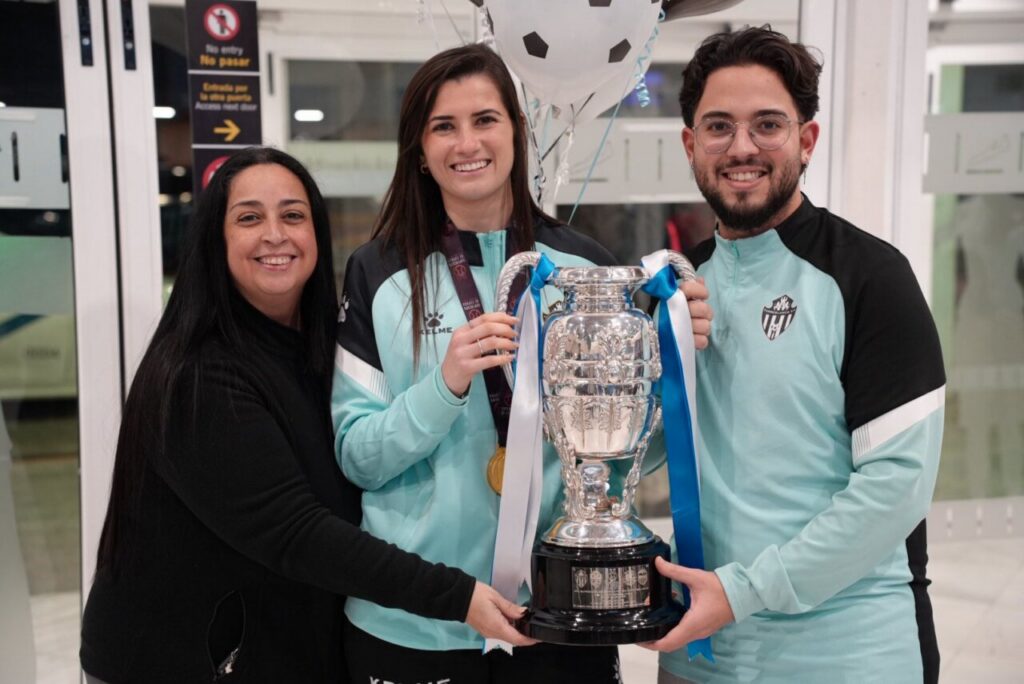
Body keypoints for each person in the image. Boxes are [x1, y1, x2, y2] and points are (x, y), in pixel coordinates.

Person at [79, 147, 531, 684]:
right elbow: (297, 533)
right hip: (178, 663)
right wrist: (458, 595)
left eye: (293, 215)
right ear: (214, 239)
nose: (275, 234)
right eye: (249, 218)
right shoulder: (198, 376)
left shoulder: (317, 346)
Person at [331, 44, 711, 683]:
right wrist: (444, 385)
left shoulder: (584, 269)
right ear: (419, 151)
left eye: (485, 119)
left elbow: (628, 453)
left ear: (516, 130)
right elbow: (357, 456)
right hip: (418, 623)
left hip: (560, 611)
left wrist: (673, 365)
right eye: (443, 126)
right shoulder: (378, 272)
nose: (467, 142)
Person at [648, 26, 946, 683]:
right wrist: (651, 370)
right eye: (720, 126)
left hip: (845, 656)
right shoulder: (672, 290)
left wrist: (743, 592)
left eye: (768, 124)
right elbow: (635, 460)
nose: (742, 147)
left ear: (806, 140)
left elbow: (896, 487)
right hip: (699, 655)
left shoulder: (870, 277)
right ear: (691, 145)